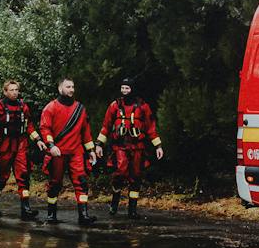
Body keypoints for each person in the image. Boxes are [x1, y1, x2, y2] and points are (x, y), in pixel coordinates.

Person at [97, 79, 164, 219]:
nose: (124, 91)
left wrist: (158, 146)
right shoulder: (114, 106)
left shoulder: (143, 107)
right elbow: (106, 126)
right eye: (122, 88)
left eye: (127, 88)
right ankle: (114, 202)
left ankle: (132, 210)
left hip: (137, 147)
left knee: (136, 176)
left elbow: (151, 128)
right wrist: (99, 144)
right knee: (120, 172)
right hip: (120, 146)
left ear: (132, 89)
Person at [37, 78, 97, 226]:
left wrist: (91, 150)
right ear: (60, 89)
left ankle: (83, 216)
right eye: (68, 86)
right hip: (58, 152)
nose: (71, 89)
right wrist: (51, 146)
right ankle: (51, 214)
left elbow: (86, 132)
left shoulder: (80, 109)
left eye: (73, 86)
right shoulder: (51, 107)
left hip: (76, 152)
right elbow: (45, 128)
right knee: (55, 184)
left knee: (82, 183)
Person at [0, 79, 41, 220]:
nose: (15, 93)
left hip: (21, 144)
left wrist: (38, 140)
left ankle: (25, 209)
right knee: (1, 177)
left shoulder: (23, 107)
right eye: (12, 90)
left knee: (24, 175)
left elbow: (29, 126)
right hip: (4, 145)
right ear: (5, 91)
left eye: (16, 90)